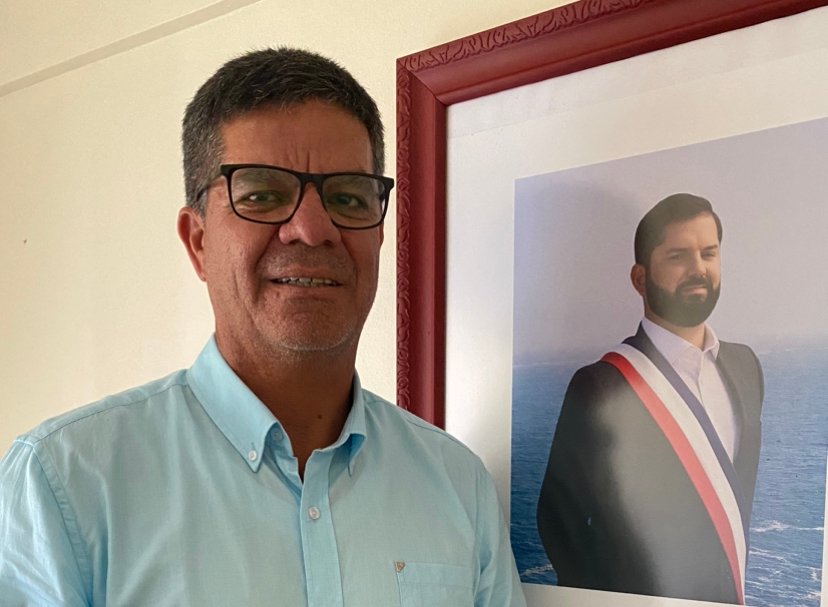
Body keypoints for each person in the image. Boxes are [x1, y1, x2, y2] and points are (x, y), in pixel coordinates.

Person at [0, 48, 526, 606]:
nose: (312, 229)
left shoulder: (458, 486)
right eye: (263, 195)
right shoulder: (64, 486)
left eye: (348, 197)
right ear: (198, 242)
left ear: (379, 235)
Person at [536, 193, 763, 605]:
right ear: (639, 279)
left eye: (708, 253)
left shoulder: (746, 368)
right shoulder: (599, 386)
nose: (698, 269)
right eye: (678, 256)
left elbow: (735, 504)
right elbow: (558, 523)